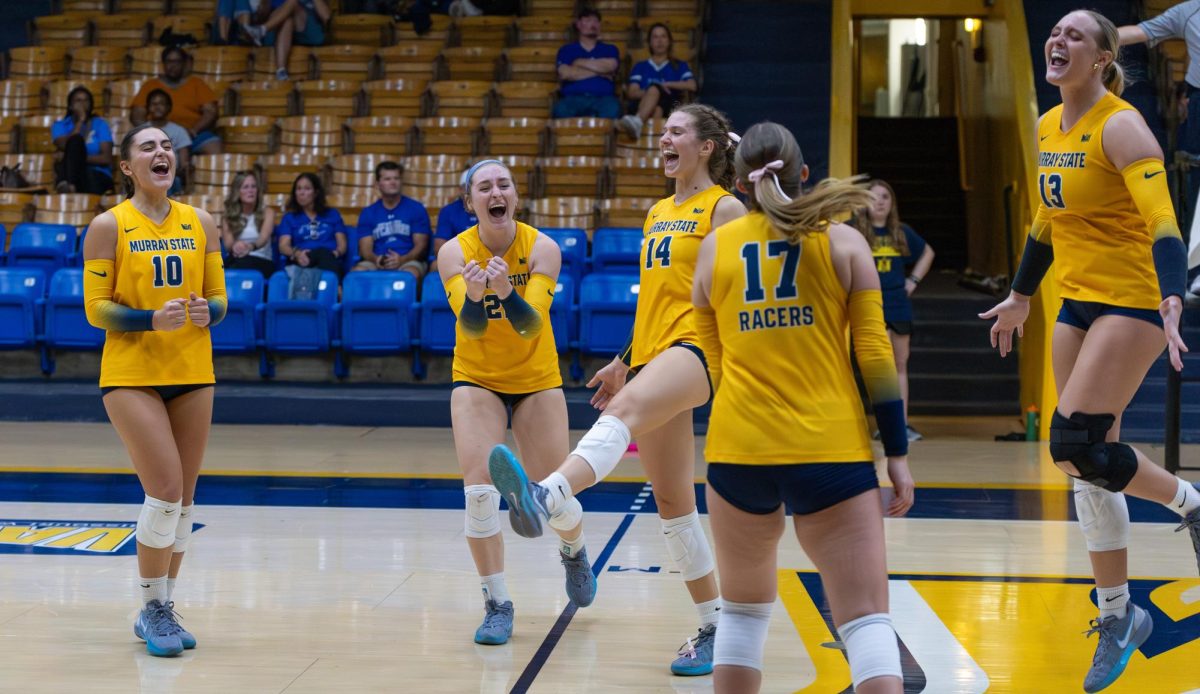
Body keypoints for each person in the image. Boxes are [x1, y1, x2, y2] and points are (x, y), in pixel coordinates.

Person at [980, 10, 1199, 693]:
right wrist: (1020, 297)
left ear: (1104, 59)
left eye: (1077, 35)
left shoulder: (1123, 125)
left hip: (1132, 300)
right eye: (1057, 32)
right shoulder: (1050, 125)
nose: (1059, 40)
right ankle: (1118, 615)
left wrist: (1171, 295)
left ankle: (1191, 502)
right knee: (1087, 465)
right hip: (1072, 302)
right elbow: (1046, 221)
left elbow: (1163, 218)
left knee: (1073, 441)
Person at [489, 104, 747, 676]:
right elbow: (657, 300)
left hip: (701, 350)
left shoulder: (726, 208)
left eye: (676, 130)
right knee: (674, 505)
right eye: (664, 131)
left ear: (706, 146)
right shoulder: (658, 210)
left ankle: (546, 494)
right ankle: (714, 624)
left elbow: (736, 292)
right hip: (655, 353)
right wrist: (623, 360)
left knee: (625, 413)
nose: (664, 137)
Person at [693, 121, 912, 694]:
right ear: (804, 174)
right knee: (866, 624)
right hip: (829, 451)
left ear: (738, 184)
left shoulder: (714, 248)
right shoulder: (844, 242)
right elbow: (876, 358)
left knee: (740, 619)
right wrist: (897, 455)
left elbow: (713, 365)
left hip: (738, 451)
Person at [81, 123, 227, 658]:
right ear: (127, 167)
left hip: (193, 370)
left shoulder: (202, 222)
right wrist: (149, 320)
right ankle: (148, 607)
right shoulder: (107, 225)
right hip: (131, 373)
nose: (161, 152)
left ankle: (163, 606)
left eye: (166, 146)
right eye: (148, 147)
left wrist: (204, 311)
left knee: (184, 503)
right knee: (164, 490)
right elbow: (95, 309)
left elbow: (220, 300)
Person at [436, 159, 595, 645]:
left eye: (503, 184)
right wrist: (476, 294)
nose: (495, 192)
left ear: (515, 197)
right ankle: (497, 602)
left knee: (556, 496)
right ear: (471, 203)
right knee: (479, 493)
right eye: (484, 187)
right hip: (476, 377)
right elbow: (472, 327)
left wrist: (505, 290)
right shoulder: (452, 253)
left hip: (536, 376)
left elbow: (531, 325)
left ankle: (574, 549)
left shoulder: (542, 248)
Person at [856, 179, 934, 442]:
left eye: (885, 197)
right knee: (883, 366)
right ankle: (886, 423)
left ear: (892, 204)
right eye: (874, 197)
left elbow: (928, 253)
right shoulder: (855, 231)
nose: (880, 202)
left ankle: (900, 424)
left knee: (900, 364)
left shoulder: (901, 231)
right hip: (869, 306)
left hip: (898, 305)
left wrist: (912, 281)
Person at [1118, 1, 1200, 226]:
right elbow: (1141, 31)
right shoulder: (1189, 11)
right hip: (1197, 107)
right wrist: (1096, 35)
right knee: (1193, 194)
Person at [130, 47, 222, 155]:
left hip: (193, 133)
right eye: (169, 61)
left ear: (184, 63)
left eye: (177, 61)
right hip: (159, 134)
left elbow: (210, 112)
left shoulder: (197, 83)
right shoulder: (150, 85)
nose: (173, 66)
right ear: (163, 64)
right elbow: (137, 114)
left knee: (214, 147)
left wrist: (193, 131)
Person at [615, 23, 697, 140]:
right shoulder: (640, 66)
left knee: (656, 93)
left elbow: (692, 85)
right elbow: (632, 92)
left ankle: (638, 123)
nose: (660, 41)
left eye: (663, 36)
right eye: (655, 37)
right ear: (649, 42)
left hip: (671, 104)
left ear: (669, 41)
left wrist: (665, 85)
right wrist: (653, 92)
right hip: (642, 104)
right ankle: (653, 148)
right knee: (657, 107)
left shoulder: (679, 65)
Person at [352, 161, 431, 280]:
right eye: (387, 179)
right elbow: (365, 249)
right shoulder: (368, 212)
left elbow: (421, 246)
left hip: (409, 261)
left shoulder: (416, 209)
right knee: (355, 276)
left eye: (396, 178)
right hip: (376, 261)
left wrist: (402, 259)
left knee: (410, 275)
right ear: (378, 184)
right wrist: (376, 259)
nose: (393, 182)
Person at [553, 8, 621, 119]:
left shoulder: (610, 49)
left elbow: (611, 66)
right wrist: (599, 73)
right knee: (561, 111)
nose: (592, 24)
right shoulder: (567, 50)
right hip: (572, 97)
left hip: (603, 98)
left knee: (612, 110)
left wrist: (578, 63)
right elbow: (566, 74)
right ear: (578, 25)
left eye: (595, 21)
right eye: (588, 20)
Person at [276, 172, 348, 277]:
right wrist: (297, 254)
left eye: (307, 189)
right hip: (303, 259)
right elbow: (283, 246)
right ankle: (338, 290)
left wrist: (335, 253)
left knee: (323, 253)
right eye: (298, 189)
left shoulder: (332, 214)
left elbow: (342, 245)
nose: (301, 193)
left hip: (329, 257)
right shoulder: (289, 218)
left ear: (316, 193)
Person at [51, 86, 113, 195]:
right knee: (75, 140)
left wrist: (71, 157)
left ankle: (69, 187)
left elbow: (106, 158)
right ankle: (70, 186)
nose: (82, 104)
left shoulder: (100, 124)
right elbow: (65, 145)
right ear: (70, 106)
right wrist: (80, 121)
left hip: (97, 175)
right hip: (75, 175)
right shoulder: (60, 125)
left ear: (91, 104)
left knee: (86, 174)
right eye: (78, 100)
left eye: (86, 100)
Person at [220, 170, 276, 278]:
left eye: (253, 186)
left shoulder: (268, 212)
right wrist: (236, 246)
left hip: (261, 260)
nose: (250, 191)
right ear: (237, 191)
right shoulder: (228, 215)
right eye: (245, 187)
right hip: (237, 258)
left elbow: (263, 239)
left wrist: (250, 247)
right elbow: (228, 244)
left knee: (238, 267)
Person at [259, 0, 332, 81]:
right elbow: (262, 15)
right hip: (279, 30)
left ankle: (261, 30)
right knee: (287, 19)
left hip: (309, 31)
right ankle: (281, 72)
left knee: (292, 2)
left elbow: (326, 17)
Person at [144, 89, 193, 196]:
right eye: (154, 104)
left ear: (169, 108)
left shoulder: (179, 131)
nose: (157, 107)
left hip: (170, 175)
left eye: (162, 104)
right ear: (148, 108)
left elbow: (184, 164)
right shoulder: (140, 132)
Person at [430, 168, 478, 273]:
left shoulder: (490, 209)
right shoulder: (448, 211)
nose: (470, 190)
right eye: (467, 187)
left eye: (474, 186)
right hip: (457, 259)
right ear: (460, 189)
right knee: (435, 265)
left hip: (485, 258)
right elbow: (439, 246)